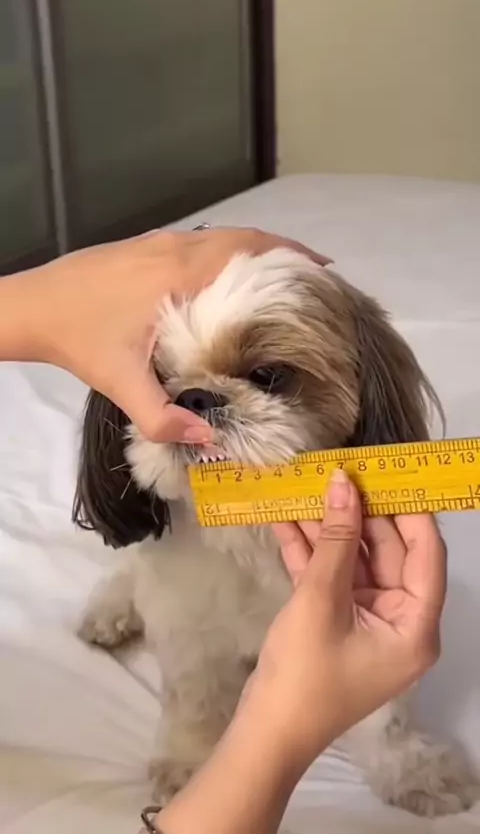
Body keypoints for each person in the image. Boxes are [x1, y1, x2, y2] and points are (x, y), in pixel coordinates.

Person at [0, 228, 446, 834]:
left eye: (266, 376)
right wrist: (201, 745)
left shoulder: (381, 544)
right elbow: (184, 639)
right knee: (184, 632)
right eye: (162, 388)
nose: (197, 412)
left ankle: (395, 750)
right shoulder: (174, 557)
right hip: (189, 551)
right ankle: (191, 729)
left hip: (332, 516)